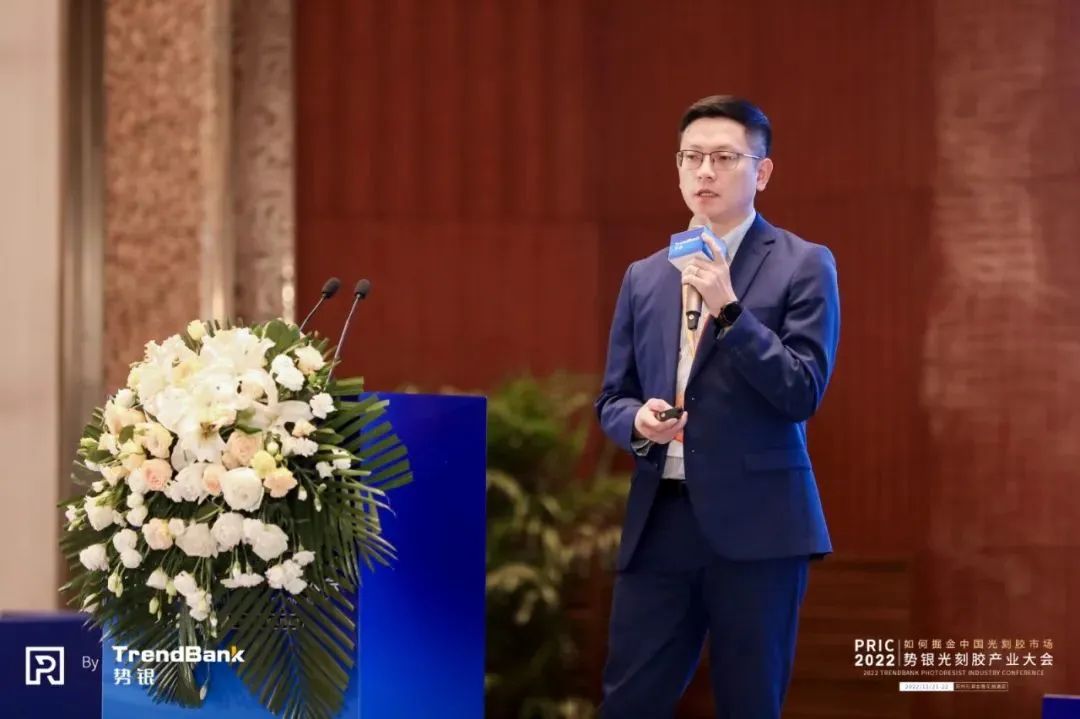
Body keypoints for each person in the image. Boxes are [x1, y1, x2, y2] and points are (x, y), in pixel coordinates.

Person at [595, 95, 841, 718]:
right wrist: (639, 424)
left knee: (749, 704)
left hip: (759, 526)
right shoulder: (644, 275)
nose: (705, 171)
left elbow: (802, 390)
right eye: (692, 157)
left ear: (762, 172)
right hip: (662, 520)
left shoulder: (803, 264)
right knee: (628, 702)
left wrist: (730, 311)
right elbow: (612, 397)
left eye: (725, 158)